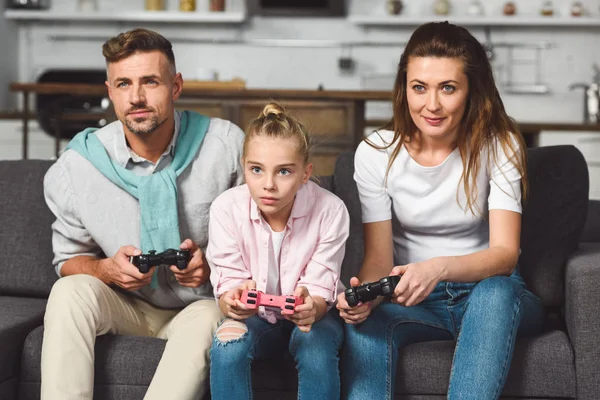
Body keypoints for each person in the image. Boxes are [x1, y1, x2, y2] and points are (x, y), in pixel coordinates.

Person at [337, 21, 545, 400]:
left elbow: (504, 255)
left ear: (470, 91)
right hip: (416, 303)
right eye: (419, 87)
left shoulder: (500, 145)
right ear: (405, 89)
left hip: (491, 294)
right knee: (363, 327)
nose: (431, 105)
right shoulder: (376, 153)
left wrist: (438, 268)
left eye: (447, 88)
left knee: (495, 294)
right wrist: (366, 298)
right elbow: (380, 258)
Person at [41, 28, 245, 400]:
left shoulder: (226, 147)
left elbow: (268, 242)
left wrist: (211, 267)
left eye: (150, 81)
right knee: (69, 291)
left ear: (176, 86)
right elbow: (68, 261)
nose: (136, 97)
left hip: (199, 305)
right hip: (124, 305)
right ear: (110, 91)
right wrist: (105, 270)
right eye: (123, 84)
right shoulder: (78, 165)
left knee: (207, 320)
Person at [206, 102, 349, 400]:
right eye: (256, 170)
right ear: (244, 165)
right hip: (257, 318)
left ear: (305, 173)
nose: (268, 185)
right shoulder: (225, 208)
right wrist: (231, 302)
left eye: (284, 171)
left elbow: (321, 288)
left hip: (316, 319)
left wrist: (314, 307)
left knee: (315, 348)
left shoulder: (331, 210)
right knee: (227, 343)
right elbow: (228, 285)